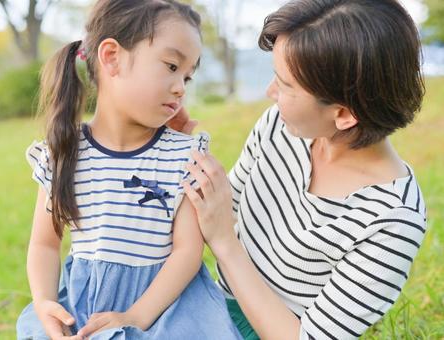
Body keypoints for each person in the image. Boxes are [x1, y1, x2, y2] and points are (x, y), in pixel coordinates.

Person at [179, 0, 428, 339]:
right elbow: (219, 207)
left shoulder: (392, 219)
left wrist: (224, 240)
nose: (269, 93)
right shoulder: (280, 127)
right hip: (207, 302)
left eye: (285, 86)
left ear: (343, 114)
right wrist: (165, 149)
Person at [16, 1, 242, 339]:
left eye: (188, 75)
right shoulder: (64, 152)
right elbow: (45, 244)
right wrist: (45, 301)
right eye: (170, 66)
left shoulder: (183, 154)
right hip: (86, 305)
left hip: (166, 307)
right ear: (111, 57)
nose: (181, 86)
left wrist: (136, 315)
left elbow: (188, 251)